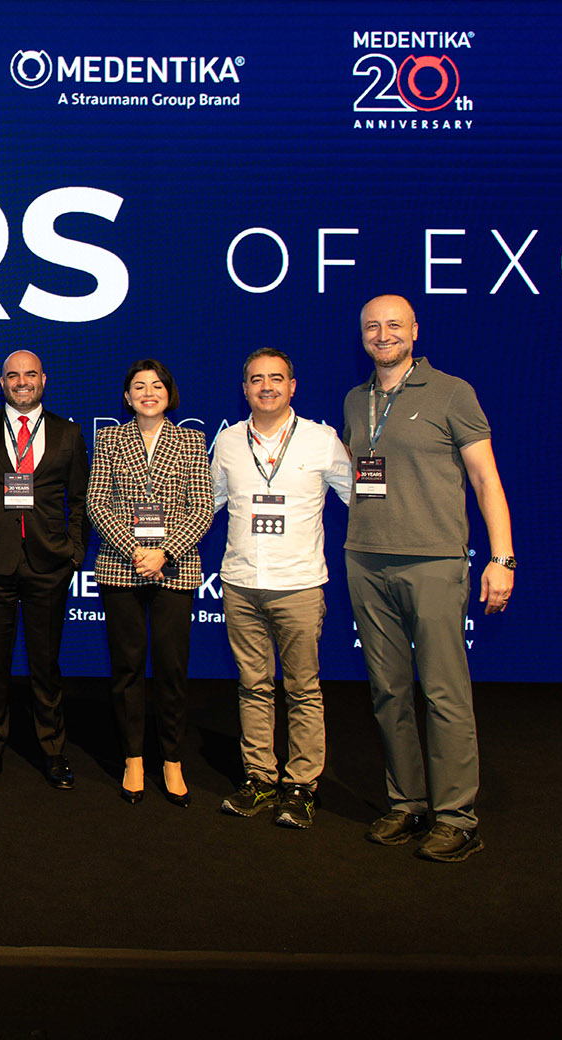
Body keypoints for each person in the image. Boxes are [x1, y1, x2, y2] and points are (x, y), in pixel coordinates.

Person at [343, 295, 514, 863]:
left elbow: (486, 479)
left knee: (444, 692)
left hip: (434, 561)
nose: (383, 334)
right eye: (372, 326)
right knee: (388, 691)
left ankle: (457, 818)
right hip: (366, 558)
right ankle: (408, 803)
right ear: (362, 335)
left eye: (394, 325)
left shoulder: (452, 393)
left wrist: (503, 557)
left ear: (414, 330)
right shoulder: (356, 400)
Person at [211, 349, 352, 828]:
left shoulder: (321, 440)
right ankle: (260, 778)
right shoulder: (228, 441)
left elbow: (360, 498)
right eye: (256, 379)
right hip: (241, 582)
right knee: (253, 686)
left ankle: (301, 786)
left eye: (276, 378)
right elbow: (208, 502)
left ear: (292, 386)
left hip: (299, 585)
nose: (266, 386)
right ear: (245, 389)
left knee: (303, 689)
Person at [0, 350, 88, 791]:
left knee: (45, 664)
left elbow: (80, 500)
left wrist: (74, 554)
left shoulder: (68, 433)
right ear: (2, 383)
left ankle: (53, 750)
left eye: (30, 374)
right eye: (13, 375)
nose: (22, 382)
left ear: (43, 380)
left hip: (49, 563)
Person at [87, 359, 212, 806]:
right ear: (127, 397)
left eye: (156, 385)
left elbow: (202, 507)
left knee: (172, 668)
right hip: (122, 566)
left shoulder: (192, 441)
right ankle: (134, 758)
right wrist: (136, 551)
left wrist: (164, 553)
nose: (148, 393)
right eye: (139, 386)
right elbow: (96, 503)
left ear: (168, 393)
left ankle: (172, 761)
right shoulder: (109, 439)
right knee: (127, 667)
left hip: (174, 568)